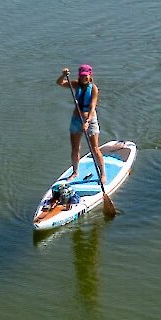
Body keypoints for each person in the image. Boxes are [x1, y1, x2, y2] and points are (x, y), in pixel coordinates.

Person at [57, 65, 116, 216]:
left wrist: (88, 121)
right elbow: (59, 83)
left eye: (86, 76)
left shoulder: (94, 88)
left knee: (95, 149)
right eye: (81, 75)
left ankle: (103, 174)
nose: (84, 78)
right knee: (75, 149)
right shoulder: (75, 84)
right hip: (76, 119)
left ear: (90, 75)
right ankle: (75, 172)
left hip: (90, 120)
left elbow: (92, 106)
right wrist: (63, 75)